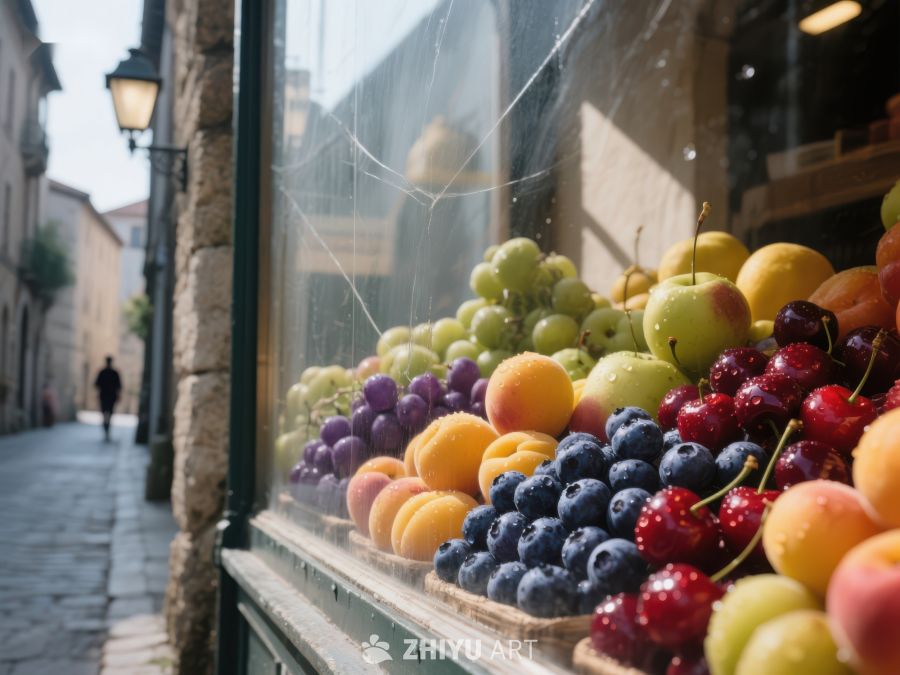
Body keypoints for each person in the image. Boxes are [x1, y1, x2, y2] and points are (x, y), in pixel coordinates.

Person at [94, 356, 122, 441]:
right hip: (110, 396)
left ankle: (106, 429)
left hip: (104, 396)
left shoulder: (103, 372)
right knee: (109, 414)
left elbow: (96, 384)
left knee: (105, 414)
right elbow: (119, 386)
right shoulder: (114, 373)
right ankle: (107, 429)